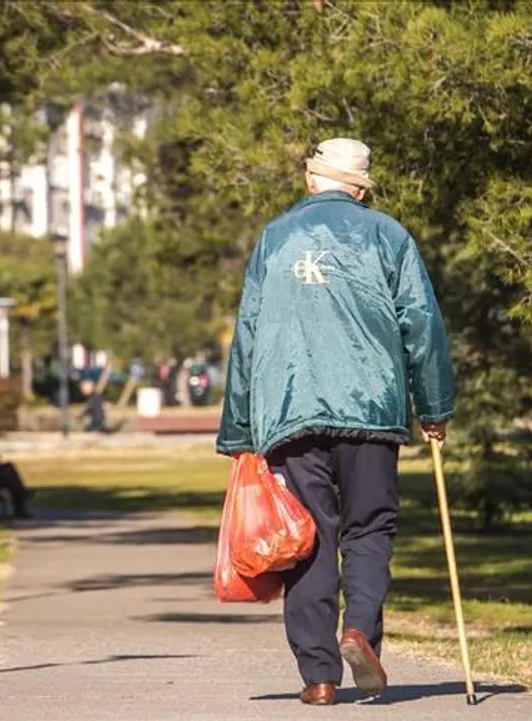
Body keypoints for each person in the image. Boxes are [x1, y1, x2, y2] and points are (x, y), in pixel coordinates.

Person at [217, 138, 454, 706]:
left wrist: (239, 430)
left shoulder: (275, 237)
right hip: (371, 408)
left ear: (310, 180)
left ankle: (319, 677)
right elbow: (421, 323)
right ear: (361, 189)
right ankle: (360, 630)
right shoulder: (389, 235)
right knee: (369, 527)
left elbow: (248, 334)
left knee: (308, 540)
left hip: (291, 412)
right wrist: (434, 407)